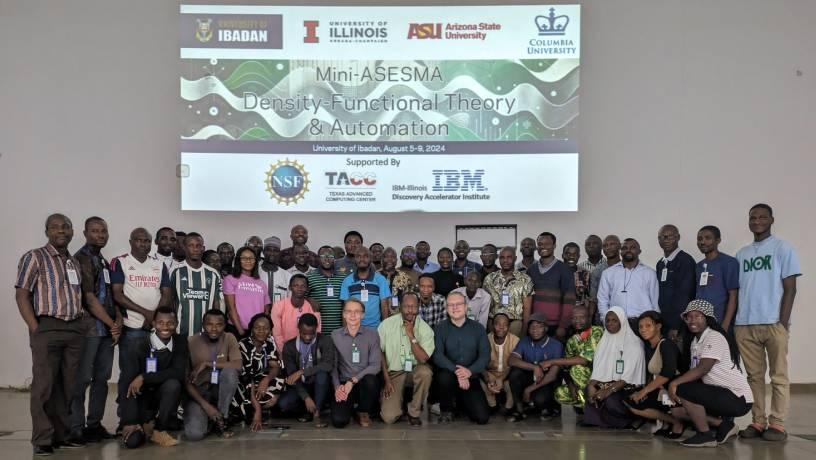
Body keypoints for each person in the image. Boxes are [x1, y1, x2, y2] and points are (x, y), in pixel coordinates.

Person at [15, 214, 87, 455]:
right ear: (47, 231)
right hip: (47, 327)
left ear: (72, 231)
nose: (62, 231)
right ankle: (42, 439)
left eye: (66, 226)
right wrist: (36, 328)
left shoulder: (72, 262)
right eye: (55, 227)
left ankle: (60, 434)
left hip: (74, 328)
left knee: (68, 386)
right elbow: (22, 295)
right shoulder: (34, 257)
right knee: (44, 386)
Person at [734, 203, 801, 441]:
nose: (757, 221)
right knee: (754, 377)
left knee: (779, 376)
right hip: (745, 324)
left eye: (762, 217)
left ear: (771, 220)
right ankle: (758, 422)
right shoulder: (742, 254)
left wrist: (782, 323)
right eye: (753, 217)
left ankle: (778, 424)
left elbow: (790, 289)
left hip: (773, 323)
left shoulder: (783, 248)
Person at [668, 300, 754, 447]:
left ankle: (705, 435)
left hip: (737, 398)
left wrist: (675, 384)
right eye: (689, 317)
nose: (692, 320)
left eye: (698, 316)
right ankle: (724, 425)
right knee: (678, 412)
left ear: (707, 319)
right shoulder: (696, 340)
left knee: (683, 388)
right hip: (719, 393)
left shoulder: (714, 337)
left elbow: (703, 369)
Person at [111, 227, 172, 432]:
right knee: (129, 374)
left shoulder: (159, 264)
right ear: (131, 241)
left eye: (146, 241)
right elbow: (117, 295)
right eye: (139, 240)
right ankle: (126, 421)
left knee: (150, 375)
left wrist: (154, 317)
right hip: (132, 329)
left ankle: (146, 417)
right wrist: (146, 313)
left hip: (154, 331)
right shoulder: (121, 262)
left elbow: (165, 293)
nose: (143, 244)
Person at [70, 217, 122, 443]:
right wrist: (112, 325)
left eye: (103, 231)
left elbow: (110, 295)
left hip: (107, 332)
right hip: (89, 331)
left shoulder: (102, 260)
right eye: (95, 231)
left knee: (102, 379)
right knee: (81, 380)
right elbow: (89, 298)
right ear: (85, 233)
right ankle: (76, 427)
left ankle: (94, 425)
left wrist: (118, 319)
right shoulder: (80, 259)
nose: (100, 235)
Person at [118, 306, 187, 449]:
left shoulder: (180, 342)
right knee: (133, 442)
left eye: (170, 323)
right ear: (154, 324)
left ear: (177, 323)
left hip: (162, 397)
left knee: (174, 384)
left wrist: (144, 377)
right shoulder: (139, 345)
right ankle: (144, 425)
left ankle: (159, 429)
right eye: (161, 323)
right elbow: (126, 383)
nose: (165, 327)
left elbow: (178, 372)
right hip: (141, 400)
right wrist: (129, 421)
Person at [433, 291, 491, 424]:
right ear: (446, 309)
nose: (455, 308)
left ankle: (460, 402)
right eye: (450, 305)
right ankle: (446, 410)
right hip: (449, 375)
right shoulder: (440, 328)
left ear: (466, 307)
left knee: (482, 418)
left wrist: (469, 372)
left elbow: (485, 356)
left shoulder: (478, 328)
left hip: (471, 376)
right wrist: (457, 372)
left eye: (458, 304)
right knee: (443, 378)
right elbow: (438, 355)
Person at [582, 307, 646, 428]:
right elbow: (599, 369)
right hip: (610, 383)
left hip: (628, 386)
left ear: (622, 321)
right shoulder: (604, 340)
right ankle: (599, 420)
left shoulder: (634, 344)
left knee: (610, 400)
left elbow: (627, 378)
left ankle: (629, 420)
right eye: (607, 320)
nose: (610, 323)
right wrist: (591, 385)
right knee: (589, 390)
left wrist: (607, 390)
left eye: (614, 320)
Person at [379, 292, 435, 426]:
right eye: (406, 306)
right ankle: (392, 401)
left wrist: (411, 335)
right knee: (389, 418)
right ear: (400, 306)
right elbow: (379, 353)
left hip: (415, 370)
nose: (410, 310)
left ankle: (414, 412)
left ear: (419, 306)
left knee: (425, 373)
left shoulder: (425, 329)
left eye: (413, 306)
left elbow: (423, 359)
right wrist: (386, 380)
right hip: (394, 373)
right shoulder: (386, 325)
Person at [626, 311, 684, 440]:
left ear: (658, 327)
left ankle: (676, 422)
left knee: (638, 401)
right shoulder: (648, 345)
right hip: (660, 388)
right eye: (641, 327)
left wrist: (643, 391)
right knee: (629, 399)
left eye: (648, 325)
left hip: (675, 389)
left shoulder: (666, 345)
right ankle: (668, 422)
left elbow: (667, 373)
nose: (643, 329)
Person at [184, 309, 241, 441]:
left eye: (219, 324)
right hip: (199, 394)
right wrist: (206, 406)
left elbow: (238, 365)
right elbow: (186, 381)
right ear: (203, 325)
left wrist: (207, 364)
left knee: (230, 372)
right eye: (209, 324)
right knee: (195, 434)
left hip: (219, 390)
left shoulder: (229, 338)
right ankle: (210, 418)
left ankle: (222, 420)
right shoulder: (191, 341)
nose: (214, 328)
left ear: (224, 326)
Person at [330, 299, 382, 428]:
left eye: (357, 311)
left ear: (363, 315)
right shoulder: (335, 335)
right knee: (339, 421)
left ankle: (362, 411)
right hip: (344, 384)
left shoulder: (372, 335)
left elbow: (375, 365)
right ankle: (351, 409)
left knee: (371, 380)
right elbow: (333, 365)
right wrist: (337, 387)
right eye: (349, 311)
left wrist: (353, 381)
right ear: (343, 314)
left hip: (363, 383)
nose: (353, 315)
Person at [230, 313, 285, 432]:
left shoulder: (269, 342)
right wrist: (258, 411)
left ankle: (253, 408)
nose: (261, 331)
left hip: (259, 380)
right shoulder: (243, 345)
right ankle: (255, 409)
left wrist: (266, 381)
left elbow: (275, 366)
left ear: (270, 330)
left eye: (265, 328)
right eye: (257, 328)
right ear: (251, 329)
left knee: (279, 376)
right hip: (244, 384)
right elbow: (246, 379)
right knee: (245, 405)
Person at [279, 314, 335, 428]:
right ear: (298, 328)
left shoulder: (325, 340)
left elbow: (328, 365)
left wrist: (302, 371)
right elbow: (292, 375)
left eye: (311, 333)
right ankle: (307, 409)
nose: (308, 337)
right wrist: (306, 397)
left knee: (322, 374)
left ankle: (316, 412)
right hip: (301, 386)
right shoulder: (289, 346)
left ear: (316, 328)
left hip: (319, 385)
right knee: (283, 404)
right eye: (304, 333)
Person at [506, 314, 564, 422]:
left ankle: (550, 408)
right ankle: (520, 410)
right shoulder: (524, 341)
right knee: (515, 373)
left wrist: (529, 389)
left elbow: (552, 375)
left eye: (539, 326)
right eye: (532, 327)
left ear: (546, 328)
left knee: (540, 400)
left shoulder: (556, 345)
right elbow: (511, 360)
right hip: (531, 377)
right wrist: (534, 367)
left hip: (546, 381)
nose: (535, 330)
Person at [597, 238, 659, 331]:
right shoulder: (608, 273)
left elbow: (655, 301)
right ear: (620, 251)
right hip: (617, 323)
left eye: (633, 247)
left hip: (643, 324)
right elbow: (602, 299)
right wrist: (606, 320)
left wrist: (655, 322)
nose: (628, 250)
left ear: (639, 251)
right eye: (624, 248)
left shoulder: (650, 273)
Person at [552, 305, 604, 411]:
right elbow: (566, 368)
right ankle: (587, 404)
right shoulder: (572, 340)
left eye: (582, 317)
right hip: (583, 382)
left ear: (589, 318)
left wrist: (551, 361)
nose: (578, 320)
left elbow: (585, 359)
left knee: (577, 369)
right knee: (559, 393)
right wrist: (571, 386)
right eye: (574, 317)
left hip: (601, 379)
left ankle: (594, 408)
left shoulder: (596, 331)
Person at [170, 232, 222, 337]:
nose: (195, 249)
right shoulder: (175, 270)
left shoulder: (213, 273)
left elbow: (216, 302)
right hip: (180, 331)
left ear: (203, 248)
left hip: (207, 333)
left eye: (198, 246)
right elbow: (170, 300)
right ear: (184, 248)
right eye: (191, 245)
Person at [527, 234, 576, 342]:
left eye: (547, 244)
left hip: (556, 326)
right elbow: (527, 300)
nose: (543, 246)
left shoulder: (564, 270)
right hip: (535, 326)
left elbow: (569, 300)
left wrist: (563, 326)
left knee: (555, 357)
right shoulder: (531, 270)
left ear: (554, 246)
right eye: (540, 244)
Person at [656, 225, 697, 341]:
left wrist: (676, 326)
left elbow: (685, 295)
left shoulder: (685, 261)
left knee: (679, 356)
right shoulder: (660, 264)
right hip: (664, 322)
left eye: (669, 237)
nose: (665, 240)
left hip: (679, 324)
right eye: (661, 237)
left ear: (678, 237)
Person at [695, 226, 739, 330]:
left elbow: (733, 295)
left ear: (718, 240)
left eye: (707, 238)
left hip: (721, 322)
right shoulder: (698, 266)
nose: (702, 242)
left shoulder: (729, 263)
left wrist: (726, 323)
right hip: (702, 323)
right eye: (699, 239)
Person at [484, 246, 533, 337]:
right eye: (502, 257)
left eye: (509, 257)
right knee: (494, 351)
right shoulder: (489, 279)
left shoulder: (525, 279)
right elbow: (484, 306)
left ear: (515, 258)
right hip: (493, 323)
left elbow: (527, 309)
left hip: (515, 324)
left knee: (513, 350)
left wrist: (524, 333)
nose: (505, 260)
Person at [223, 247, 271, 337]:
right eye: (244, 258)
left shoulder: (261, 283)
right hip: (236, 330)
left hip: (257, 332)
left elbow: (266, 311)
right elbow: (231, 308)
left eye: (251, 258)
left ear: (255, 261)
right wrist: (240, 330)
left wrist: (262, 330)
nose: (248, 260)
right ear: (238, 260)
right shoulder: (230, 279)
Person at [339, 247, 391, 328]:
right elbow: (345, 308)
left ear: (370, 259)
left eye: (366, 256)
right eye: (358, 256)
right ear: (354, 260)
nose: (362, 259)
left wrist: (385, 330)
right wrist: (345, 331)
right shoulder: (347, 281)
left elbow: (384, 306)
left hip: (375, 329)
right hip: (354, 328)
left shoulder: (380, 279)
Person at [480, 313, 519, 414]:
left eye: (505, 325)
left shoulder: (515, 340)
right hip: (491, 374)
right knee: (478, 379)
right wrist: (488, 378)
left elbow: (515, 364)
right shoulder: (485, 340)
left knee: (515, 377)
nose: (501, 327)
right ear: (492, 325)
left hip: (507, 374)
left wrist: (502, 378)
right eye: (498, 324)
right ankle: (492, 404)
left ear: (509, 327)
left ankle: (509, 406)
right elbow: (479, 363)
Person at [271, 274, 321, 350]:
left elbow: (316, 330)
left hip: (307, 349)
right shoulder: (279, 306)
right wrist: (283, 351)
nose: (299, 289)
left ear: (307, 288)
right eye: (296, 285)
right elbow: (277, 334)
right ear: (290, 287)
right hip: (285, 349)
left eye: (303, 286)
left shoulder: (312, 306)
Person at [307, 246, 346, 334]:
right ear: (318, 258)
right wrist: (309, 300)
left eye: (330, 257)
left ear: (335, 259)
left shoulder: (343, 277)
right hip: (317, 331)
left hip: (339, 331)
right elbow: (302, 299)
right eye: (323, 257)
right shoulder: (310, 277)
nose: (327, 259)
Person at [588, 235, 622, 322]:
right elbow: (593, 299)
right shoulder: (597, 271)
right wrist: (590, 319)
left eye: (612, 244)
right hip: (603, 318)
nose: (608, 248)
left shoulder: (627, 268)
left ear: (619, 246)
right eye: (605, 246)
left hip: (624, 315)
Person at [379, 246, 416, 312]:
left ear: (396, 260)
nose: (389, 259)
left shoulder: (405, 278)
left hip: (398, 317)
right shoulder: (374, 277)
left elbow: (409, 300)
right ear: (381, 259)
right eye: (386, 257)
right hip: (377, 318)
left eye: (392, 257)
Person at [258, 236, 292, 304]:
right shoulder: (255, 273)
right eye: (269, 250)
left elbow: (290, 300)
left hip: (281, 313)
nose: (272, 253)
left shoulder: (287, 276)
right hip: (259, 313)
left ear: (279, 253)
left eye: (275, 251)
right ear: (263, 252)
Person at [563, 242, 591, 307]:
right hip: (559, 312)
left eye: (574, 254)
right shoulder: (556, 271)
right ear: (563, 255)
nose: (571, 257)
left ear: (579, 256)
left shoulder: (585, 273)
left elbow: (588, 297)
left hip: (579, 314)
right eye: (568, 254)